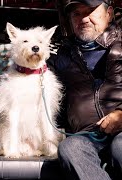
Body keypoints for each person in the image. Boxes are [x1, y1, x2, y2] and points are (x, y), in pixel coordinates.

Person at [48, 0, 122, 179]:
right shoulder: (61, 58)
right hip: (86, 135)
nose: (84, 18)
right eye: (77, 14)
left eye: (91, 11)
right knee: (70, 147)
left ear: (109, 13)